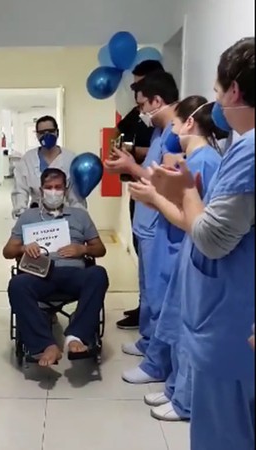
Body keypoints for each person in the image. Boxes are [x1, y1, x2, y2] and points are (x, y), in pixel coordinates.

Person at [149, 37, 255, 449]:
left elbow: (211, 237)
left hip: (232, 325)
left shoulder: (247, 151)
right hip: (232, 318)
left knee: (225, 434)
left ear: (234, 91)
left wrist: (184, 192)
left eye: (217, 92)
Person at [125, 97, 225, 424]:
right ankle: (174, 387)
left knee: (188, 328)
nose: (172, 130)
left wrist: (155, 198)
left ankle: (184, 398)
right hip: (186, 249)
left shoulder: (205, 161)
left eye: (175, 123)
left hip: (195, 249)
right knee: (175, 319)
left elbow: (196, 218)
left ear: (189, 123)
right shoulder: (193, 159)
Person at [104, 71, 179, 357]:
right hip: (146, 225)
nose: (140, 112)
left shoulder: (175, 135)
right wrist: (127, 163)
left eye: (141, 105)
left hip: (160, 228)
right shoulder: (160, 132)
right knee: (148, 290)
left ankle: (157, 358)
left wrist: (130, 167)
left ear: (156, 101)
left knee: (159, 294)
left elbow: (166, 183)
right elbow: (149, 172)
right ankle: (148, 343)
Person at [4, 168, 109, 367]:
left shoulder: (80, 216)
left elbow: (100, 249)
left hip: (73, 273)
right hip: (39, 274)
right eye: (49, 187)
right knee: (17, 285)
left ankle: (76, 336)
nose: (53, 192)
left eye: (58, 187)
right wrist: (24, 247)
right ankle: (45, 345)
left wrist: (83, 248)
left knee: (98, 274)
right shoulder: (28, 216)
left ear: (65, 189)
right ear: (41, 190)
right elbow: (8, 251)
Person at [114, 59, 165, 331]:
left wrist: (131, 161)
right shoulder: (154, 129)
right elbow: (121, 132)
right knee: (147, 274)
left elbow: (161, 177)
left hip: (158, 215)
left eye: (141, 98)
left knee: (157, 279)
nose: (139, 105)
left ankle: (153, 336)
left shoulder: (170, 134)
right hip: (143, 208)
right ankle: (146, 324)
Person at [11, 116, 86, 218]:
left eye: (50, 131)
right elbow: (20, 189)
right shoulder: (28, 159)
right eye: (42, 133)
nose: (46, 136)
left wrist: (79, 216)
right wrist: (21, 212)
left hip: (65, 214)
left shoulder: (70, 159)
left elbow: (76, 194)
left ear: (57, 132)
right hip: (36, 213)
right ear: (37, 135)